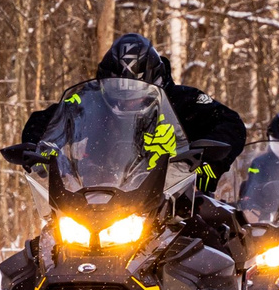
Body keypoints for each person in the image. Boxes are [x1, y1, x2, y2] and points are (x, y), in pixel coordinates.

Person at [21, 33, 247, 183]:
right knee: (47, 239)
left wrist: (208, 161)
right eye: (119, 93)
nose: (128, 101)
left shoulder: (184, 101)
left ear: (157, 81)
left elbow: (230, 123)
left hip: (176, 199)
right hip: (96, 196)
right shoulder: (91, 104)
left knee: (211, 229)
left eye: (137, 94)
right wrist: (38, 148)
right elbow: (48, 120)